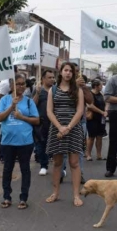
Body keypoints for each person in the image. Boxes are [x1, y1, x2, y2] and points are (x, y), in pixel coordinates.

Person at [45, 62, 85, 207]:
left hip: (73, 129)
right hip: (56, 129)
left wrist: (68, 127)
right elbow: (49, 111)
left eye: (71, 71)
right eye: (66, 70)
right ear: (61, 72)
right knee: (57, 163)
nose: (68, 73)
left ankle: (76, 195)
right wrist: (59, 127)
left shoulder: (78, 90)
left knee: (74, 163)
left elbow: (80, 111)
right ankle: (55, 193)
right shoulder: (53, 90)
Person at [0, 74, 39, 210]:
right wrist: (11, 106)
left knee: (25, 169)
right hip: (8, 142)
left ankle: (23, 198)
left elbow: (36, 120)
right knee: (7, 169)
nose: (20, 86)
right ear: (11, 86)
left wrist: (21, 117)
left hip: (25, 142)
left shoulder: (28, 101)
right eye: (18, 84)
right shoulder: (4, 100)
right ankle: (6, 197)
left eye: (22, 84)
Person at [33, 69, 55, 176]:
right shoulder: (38, 90)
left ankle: (60, 167)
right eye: (49, 77)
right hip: (41, 123)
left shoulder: (56, 90)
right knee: (41, 144)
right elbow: (32, 105)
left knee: (56, 144)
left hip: (54, 122)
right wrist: (37, 93)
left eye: (53, 77)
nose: (52, 79)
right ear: (43, 79)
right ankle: (43, 166)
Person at [86, 79, 107, 161]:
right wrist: (102, 112)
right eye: (101, 85)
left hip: (101, 119)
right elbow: (90, 106)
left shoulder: (101, 94)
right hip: (92, 118)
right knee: (91, 137)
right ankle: (88, 154)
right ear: (96, 86)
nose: (102, 87)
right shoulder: (90, 94)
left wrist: (105, 111)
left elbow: (104, 103)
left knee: (99, 136)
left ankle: (99, 154)